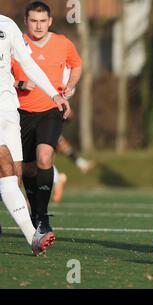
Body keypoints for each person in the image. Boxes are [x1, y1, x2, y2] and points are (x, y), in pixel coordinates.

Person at [0, 13, 71, 255]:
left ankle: (33, 235)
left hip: (9, 111)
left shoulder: (7, 25)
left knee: (14, 174)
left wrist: (53, 94)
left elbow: (28, 64)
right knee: (4, 165)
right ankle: (33, 236)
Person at [11, 2, 82, 235]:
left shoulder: (63, 43)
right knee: (27, 169)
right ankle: (34, 212)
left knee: (45, 156)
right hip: (20, 113)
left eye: (43, 21)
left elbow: (77, 65)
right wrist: (19, 83)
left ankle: (42, 217)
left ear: (50, 21)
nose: (38, 25)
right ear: (25, 21)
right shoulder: (16, 44)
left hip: (51, 110)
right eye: (33, 20)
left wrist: (69, 86)